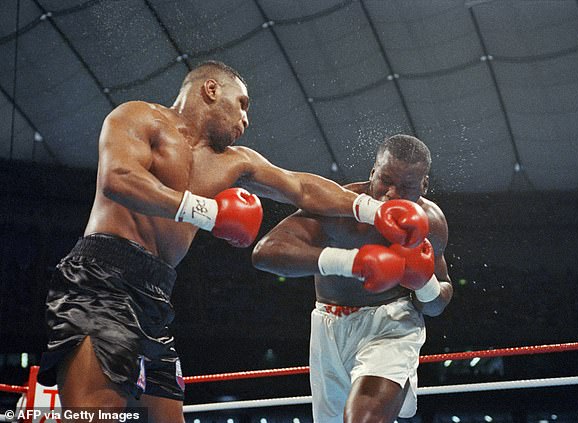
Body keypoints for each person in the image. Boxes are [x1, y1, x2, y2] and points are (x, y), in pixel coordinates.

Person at [36, 62, 430, 423]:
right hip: (103, 277)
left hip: (156, 295)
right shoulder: (138, 117)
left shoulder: (234, 161)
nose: (246, 118)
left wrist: (370, 209)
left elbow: (301, 188)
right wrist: (206, 213)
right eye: (241, 104)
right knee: (96, 413)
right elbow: (118, 179)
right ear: (210, 90)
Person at [252, 134, 453, 423]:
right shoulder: (340, 208)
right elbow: (265, 252)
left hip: (392, 325)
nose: (392, 195)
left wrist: (424, 283)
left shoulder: (430, 222)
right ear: (372, 172)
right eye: (385, 181)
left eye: (407, 186)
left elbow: (437, 304)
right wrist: (352, 263)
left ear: (424, 185)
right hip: (328, 326)